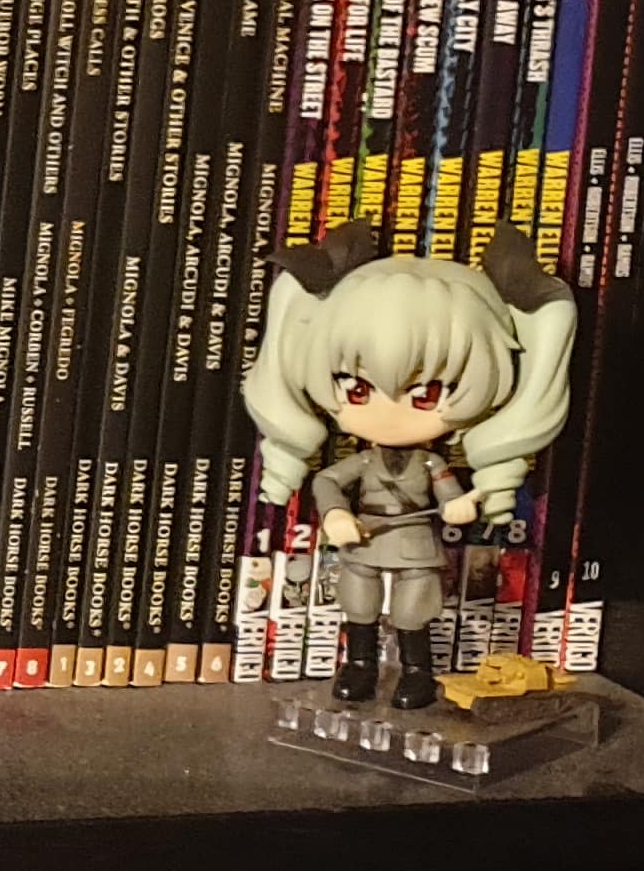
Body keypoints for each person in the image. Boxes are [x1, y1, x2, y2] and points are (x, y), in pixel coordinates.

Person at [241, 223, 574, 710]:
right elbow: (329, 480)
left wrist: (460, 506)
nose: (388, 413)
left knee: (414, 611)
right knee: (358, 605)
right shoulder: (363, 459)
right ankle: (359, 665)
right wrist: (335, 514)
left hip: (416, 544)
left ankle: (418, 672)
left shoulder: (432, 461)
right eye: (356, 389)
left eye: (427, 393)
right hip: (364, 540)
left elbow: (447, 489)